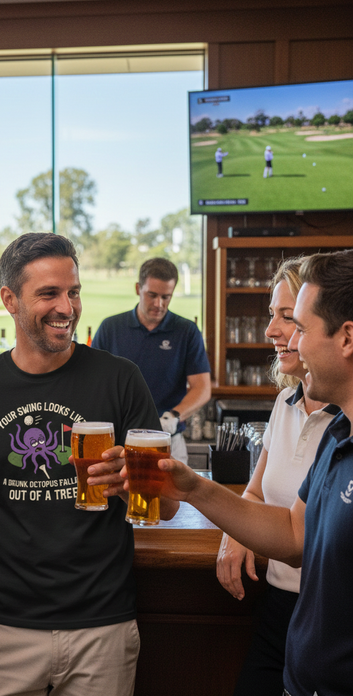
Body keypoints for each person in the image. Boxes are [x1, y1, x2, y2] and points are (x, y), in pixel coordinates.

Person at [0, 232, 177, 696]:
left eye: (74, 292)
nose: (67, 307)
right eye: (49, 293)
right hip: (4, 626)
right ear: (9, 299)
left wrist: (134, 482)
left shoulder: (121, 379)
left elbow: (169, 507)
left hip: (104, 626)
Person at [136, 248, 353, 696]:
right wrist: (195, 488)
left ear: (346, 337)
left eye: (299, 324)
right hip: (296, 650)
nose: (284, 337)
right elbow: (294, 535)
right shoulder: (338, 436)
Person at [215, 258, 338, 695]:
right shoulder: (285, 401)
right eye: (272, 314)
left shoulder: (346, 417)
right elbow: (254, 490)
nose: (271, 330)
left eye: (288, 317)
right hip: (276, 603)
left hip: (330, 616)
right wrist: (236, 533)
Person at [92, 258, 211, 465]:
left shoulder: (186, 331)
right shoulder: (110, 328)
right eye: (152, 295)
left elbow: (202, 388)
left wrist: (174, 416)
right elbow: (92, 383)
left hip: (167, 441)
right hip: (117, 443)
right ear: (138, 288)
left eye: (166, 297)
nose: (159, 304)